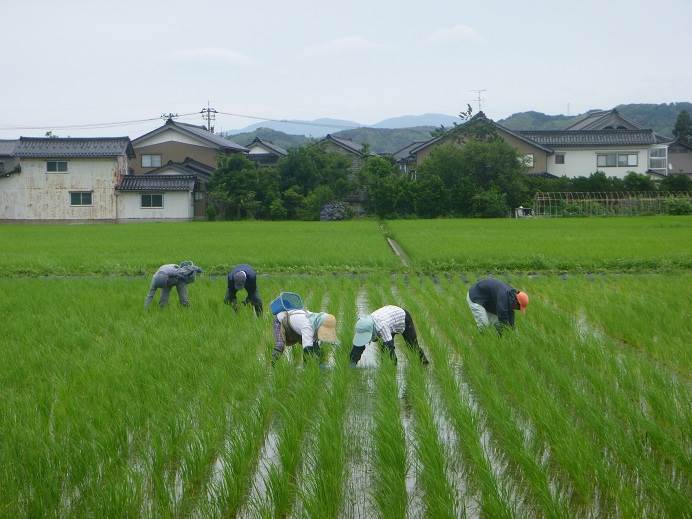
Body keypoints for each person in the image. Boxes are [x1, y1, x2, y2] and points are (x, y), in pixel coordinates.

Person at [349, 305, 429, 366]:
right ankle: (385, 367)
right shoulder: (362, 326)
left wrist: (392, 368)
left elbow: (390, 349)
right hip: (389, 318)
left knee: (412, 346)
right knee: (384, 351)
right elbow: (358, 346)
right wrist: (352, 364)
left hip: (402, 317)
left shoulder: (382, 326)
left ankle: (425, 363)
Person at [272, 306, 338, 364]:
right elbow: (307, 349)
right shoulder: (307, 326)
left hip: (296, 322)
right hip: (281, 320)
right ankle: (272, 364)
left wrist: (320, 360)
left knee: (315, 345)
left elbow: (316, 344)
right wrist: (307, 367)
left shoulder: (317, 322)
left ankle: (318, 364)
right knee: (280, 344)